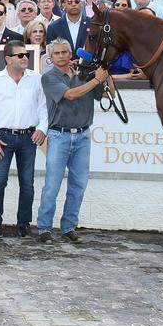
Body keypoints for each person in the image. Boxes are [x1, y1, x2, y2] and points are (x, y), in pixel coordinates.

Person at [36, 39, 108, 243]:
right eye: (56, 53)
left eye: (64, 52)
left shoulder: (84, 74)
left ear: (70, 54)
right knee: (52, 184)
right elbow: (70, 95)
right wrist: (95, 80)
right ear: (50, 57)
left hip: (83, 134)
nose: (61, 56)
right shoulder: (48, 78)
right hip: (59, 135)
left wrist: (105, 73)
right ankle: (44, 228)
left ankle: (68, 226)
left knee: (78, 184)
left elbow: (105, 93)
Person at [0, 40, 48, 238]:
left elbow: (44, 108)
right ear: (8, 59)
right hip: (2, 138)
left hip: (28, 138)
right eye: (20, 55)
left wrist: (42, 128)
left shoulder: (36, 78)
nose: (25, 58)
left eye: (26, 54)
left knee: (27, 182)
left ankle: (23, 223)